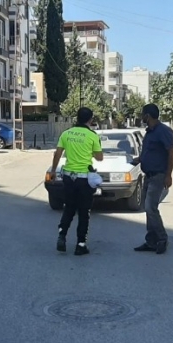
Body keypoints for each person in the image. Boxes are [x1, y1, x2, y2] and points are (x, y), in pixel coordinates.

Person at [49, 107, 104, 255]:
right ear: (90, 120)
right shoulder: (92, 136)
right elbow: (99, 157)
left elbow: (57, 154)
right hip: (84, 179)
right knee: (84, 211)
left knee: (69, 208)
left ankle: (62, 234)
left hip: (68, 177)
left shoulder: (66, 133)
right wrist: (90, 151)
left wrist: (53, 171)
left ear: (77, 118)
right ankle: (81, 244)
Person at [132, 104, 173, 254]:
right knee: (147, 208)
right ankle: (151, 241)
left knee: (151, 207)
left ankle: (162, 239)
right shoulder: (149, 132)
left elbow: (171, 153)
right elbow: (150, 152)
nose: (141, 117)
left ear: (148, 116)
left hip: (158, 175)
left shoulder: (163, 131)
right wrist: (140, 159)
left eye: (143, 114)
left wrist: (168, 175)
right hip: (148, 175)